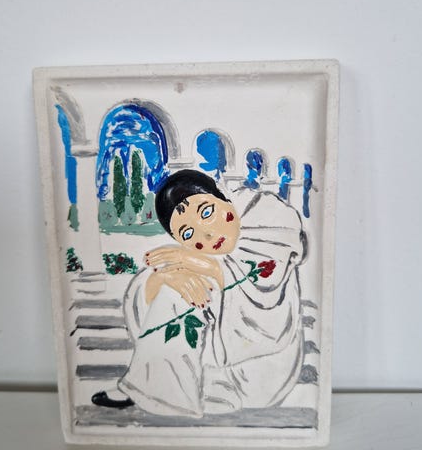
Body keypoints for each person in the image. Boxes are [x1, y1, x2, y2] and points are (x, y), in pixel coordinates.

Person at [92, 169, 307, 416]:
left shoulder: (264, 210)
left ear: (222, 196)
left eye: (206, 212)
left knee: (190, 283)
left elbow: (264, 277)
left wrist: (199, 263)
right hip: (213, 368)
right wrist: (165, 277)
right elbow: (141, 294)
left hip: (263, 370)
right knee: (175, 289)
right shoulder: (194, 252)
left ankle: (167, 392)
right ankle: (168, 394)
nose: (206, 234)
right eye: (187, 233)